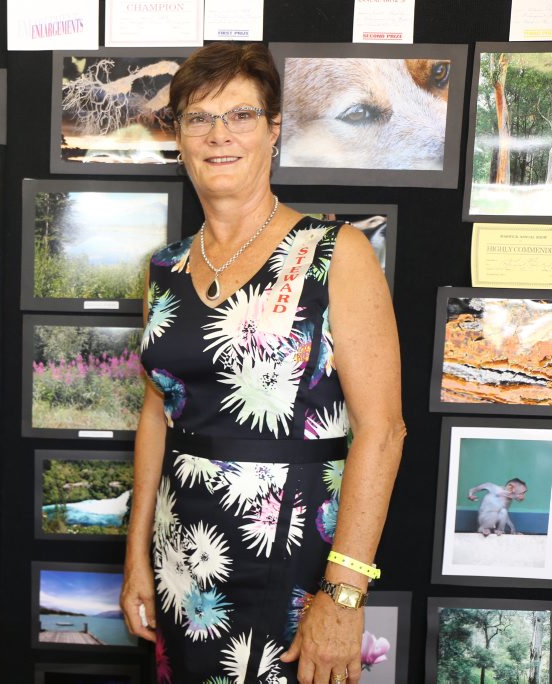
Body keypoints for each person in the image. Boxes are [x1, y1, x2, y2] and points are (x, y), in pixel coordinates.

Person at [120, 43, 404, 684]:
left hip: (297, 563)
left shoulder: (338, 253)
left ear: (274, 130)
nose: (219, 135)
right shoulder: (164, 269)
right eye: (198, 117)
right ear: (181, 137)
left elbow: (383, 433)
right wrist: (136, 553)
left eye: (241, 115)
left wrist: (345, 595)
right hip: (181, 560)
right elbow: (157, 413)